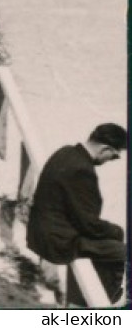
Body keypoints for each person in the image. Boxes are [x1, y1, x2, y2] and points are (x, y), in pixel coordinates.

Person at [26, 123, 127, 306]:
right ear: (105, 149)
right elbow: (88, 224)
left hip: (39, 231)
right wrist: (116, 230)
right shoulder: (83, 170)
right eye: (113, 157)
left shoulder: (64, 152)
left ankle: (78, 301)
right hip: (57, 241)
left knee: (106, 244)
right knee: (121, 251)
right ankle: (94, 304)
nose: (109, 161)